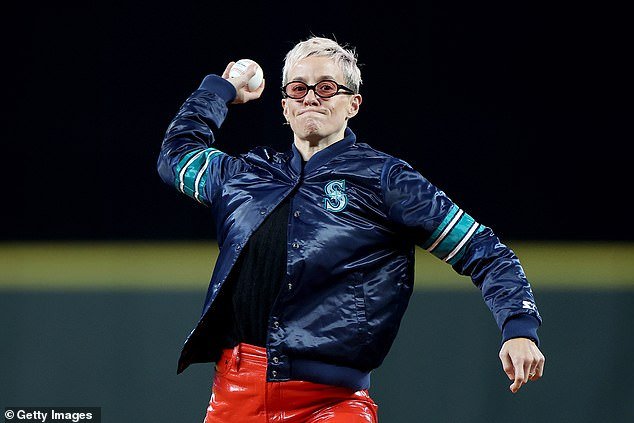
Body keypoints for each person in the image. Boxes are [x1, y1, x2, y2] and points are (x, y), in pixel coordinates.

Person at [157, 36, 545, 422]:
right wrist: (219, 89)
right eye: (298, 88)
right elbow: (176, 155)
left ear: (352, 104)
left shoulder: (386, 180)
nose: (311, 97)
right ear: (285, 106)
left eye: (326, 87)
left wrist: (519, 327)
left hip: (331, 404)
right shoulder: (245, 176)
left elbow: (486, 252)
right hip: (234, 397)